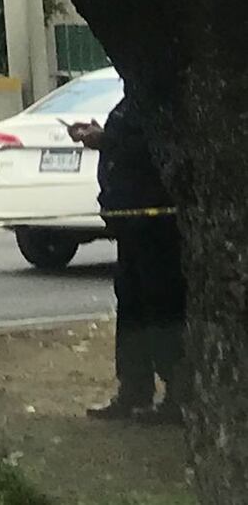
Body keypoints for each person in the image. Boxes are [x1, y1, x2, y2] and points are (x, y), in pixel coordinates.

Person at [69, 92, 186, 424]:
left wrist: (106, 140)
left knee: (160, 305)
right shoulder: (132, 100)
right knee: (132, 303)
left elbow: (152, 147)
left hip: (155, 226)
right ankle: (133, 387)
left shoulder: (160, 101)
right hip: (129, 222)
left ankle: (178, 392)